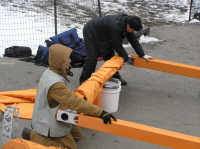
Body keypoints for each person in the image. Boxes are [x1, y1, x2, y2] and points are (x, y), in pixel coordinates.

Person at [22, 44, 116, 149]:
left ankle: (42, 136)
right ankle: (34, 136)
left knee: (77, 136)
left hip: (52, 113)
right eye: (67, 59)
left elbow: (69, 99)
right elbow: (74, 102)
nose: (70, 61)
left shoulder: (51, 71)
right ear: (60, 61)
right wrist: (100, 112)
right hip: (46, 123)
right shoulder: (55, 84)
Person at [79, 14, 152, 85]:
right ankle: (84, 81)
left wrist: (142, 54)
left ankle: (115, 77)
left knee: (109, 54)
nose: (132, 31)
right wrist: (126, 58)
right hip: (91, 30)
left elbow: (133, 40)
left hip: (104, 32)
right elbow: (117, 45)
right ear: (128, 25)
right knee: (92, 57)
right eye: (132, 29)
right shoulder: (116, 26)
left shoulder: (128, 23)